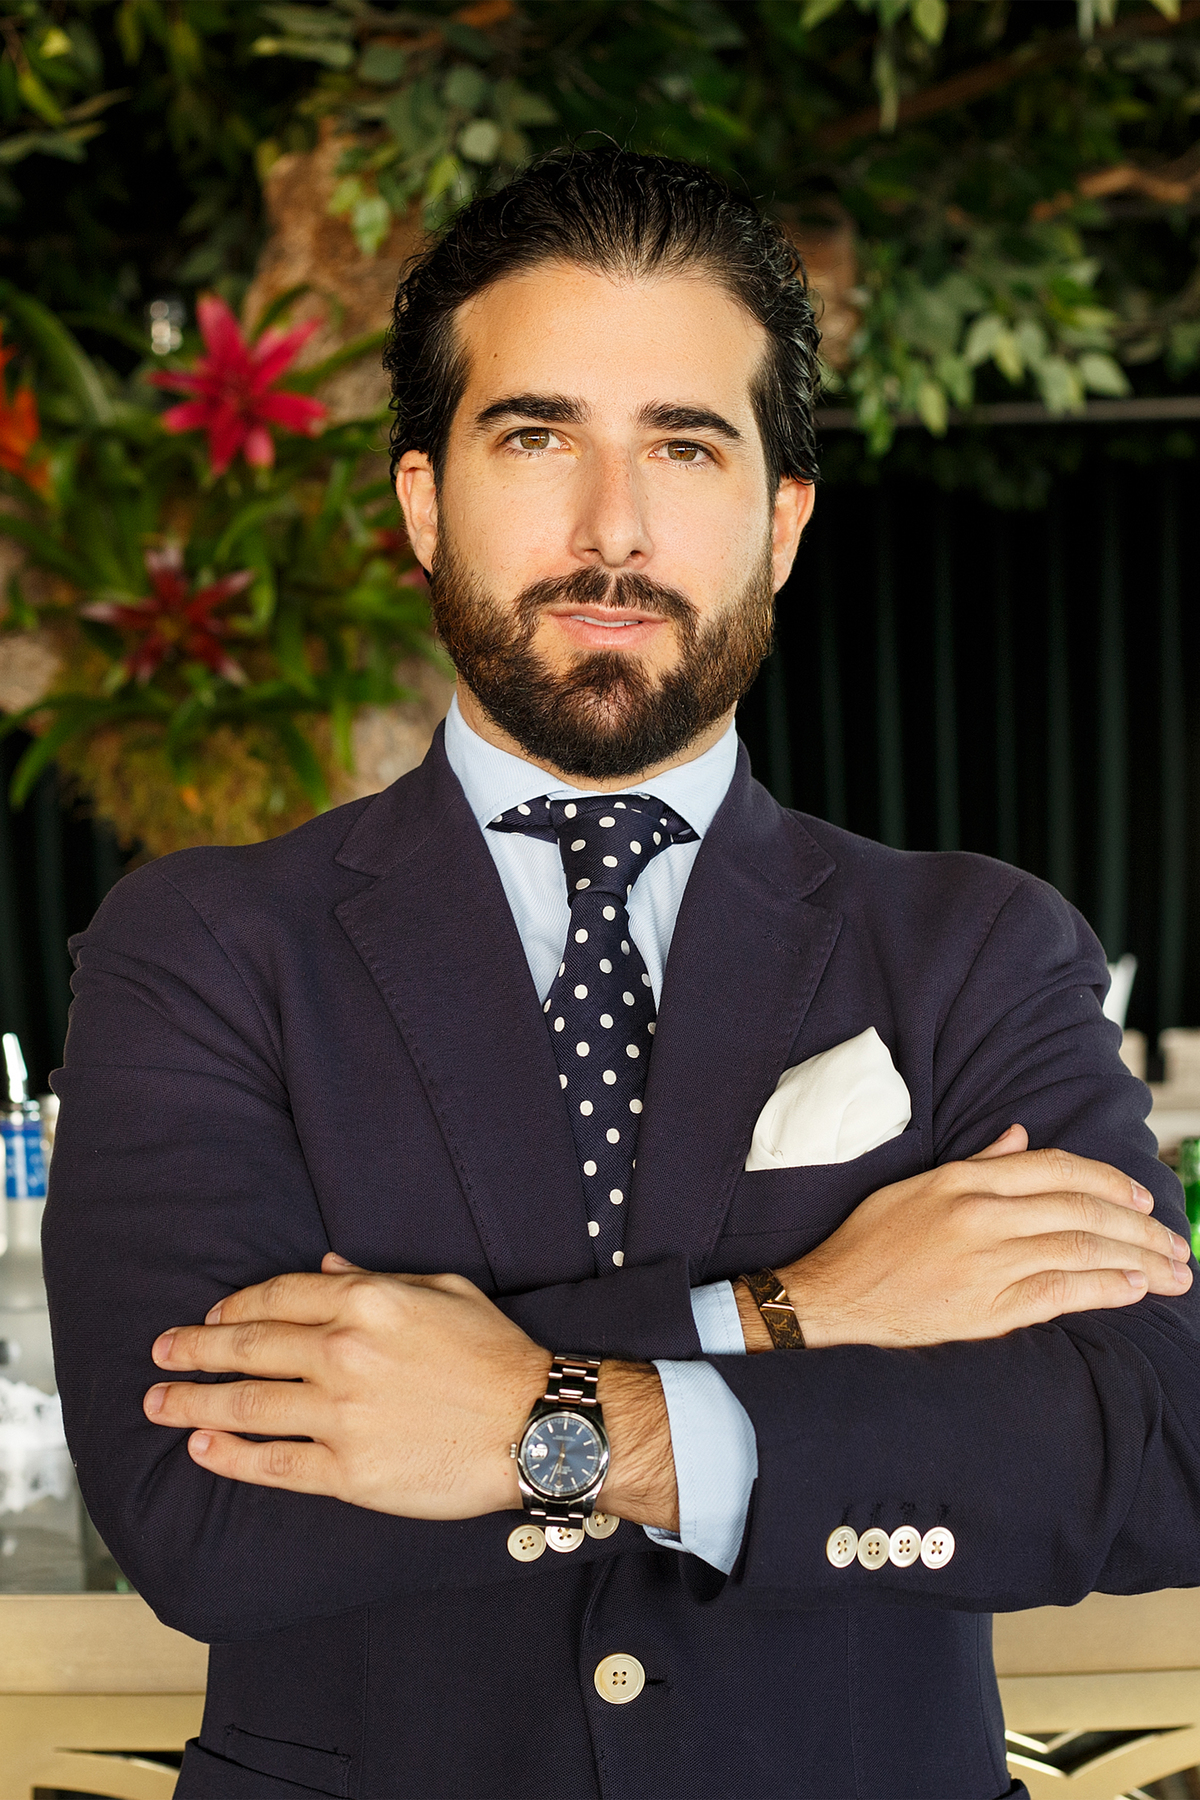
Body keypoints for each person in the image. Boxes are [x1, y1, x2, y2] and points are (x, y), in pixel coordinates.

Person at [44, 149, 1200, 1800]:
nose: (613, 531)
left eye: (685, 444)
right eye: (537, 437)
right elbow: (202, 1515)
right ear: (425, 504)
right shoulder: (205, 948)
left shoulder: (977, 947)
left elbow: (1155, 1450)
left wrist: (531, 1418)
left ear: (782, 524)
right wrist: (802, 1310)